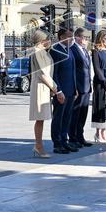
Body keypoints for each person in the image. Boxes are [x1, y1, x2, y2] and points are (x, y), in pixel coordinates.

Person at [29, 30, 62, 158]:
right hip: (40, 87)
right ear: (42, 40)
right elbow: (43, 74)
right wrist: (56, 89)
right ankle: (38, 145)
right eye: (49, 39)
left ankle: (39, 145)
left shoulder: (43, 52)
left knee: (41, 118)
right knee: (40, 118)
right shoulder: (37, 52)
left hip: (44, 87)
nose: (50, 42)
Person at [50, 28, 77, 154]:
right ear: (61, 37)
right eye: (69, 36)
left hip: (70, 90)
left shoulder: (69, 50)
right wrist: (58, 91)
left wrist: (75, 88)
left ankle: (64, 141)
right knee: (58, 118)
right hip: (61, 91)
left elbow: (73, 71)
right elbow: (54, 73)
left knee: (67, 117)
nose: (71, 39)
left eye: (72, 36)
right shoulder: (55, 50)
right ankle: (57, 143)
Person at [71, 28, 93, 148]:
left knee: (83, 114)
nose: (86, 40)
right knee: (75, 114)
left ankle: (80, 136)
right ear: (77, 37)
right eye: (85, 38)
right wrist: (75, 87)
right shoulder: (73, 50)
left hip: (86, 87)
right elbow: (73, 71)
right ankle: (73, 138)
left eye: (87, 38)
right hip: (78, 87)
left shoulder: (85, 51)